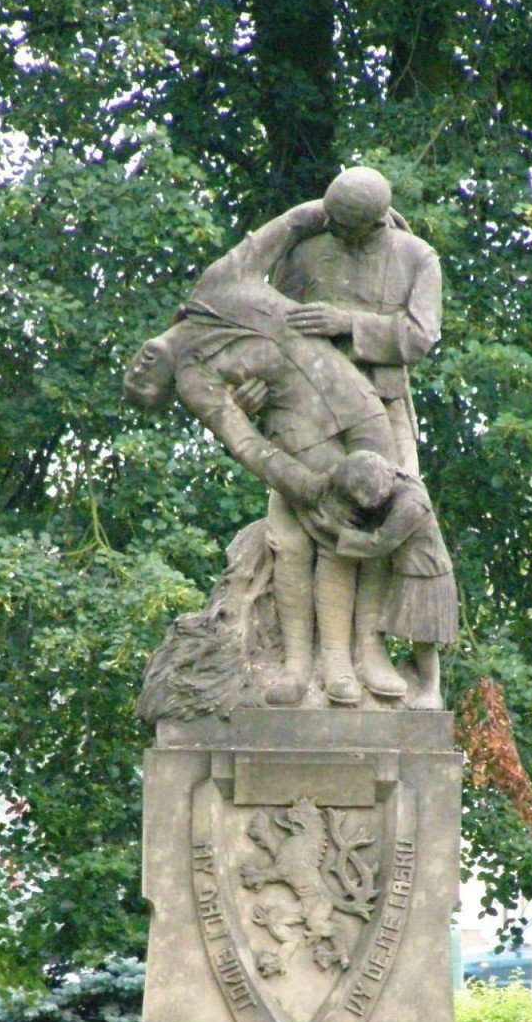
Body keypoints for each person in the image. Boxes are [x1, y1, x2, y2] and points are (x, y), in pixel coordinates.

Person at [122, 204, 399, 705]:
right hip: (303, 441)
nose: (138, 371)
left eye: (132, 371)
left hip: (356, 398)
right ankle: (310, 665)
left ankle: (363, 654)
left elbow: (289, 224)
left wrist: (362, 210)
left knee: (384, 515)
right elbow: (245, 443)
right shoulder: (194, 380)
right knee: (325, 538)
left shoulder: (216, 284)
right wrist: (302, 483)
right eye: (144, 388)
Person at [273, 167, 442, 698]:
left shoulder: (416, 256)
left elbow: (419, 336)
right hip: (310, 410)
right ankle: (301, 663)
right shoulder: (304, 254)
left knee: (384, 526)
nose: (337, 232)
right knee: (296, 534)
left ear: (375, 223)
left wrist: (346, 323)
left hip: (385, 408)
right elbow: (270, 329)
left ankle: (368, 652)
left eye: (349, 226)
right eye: (333, 221)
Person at [316, 451, 458, 711]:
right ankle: (422, 684)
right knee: (416, 637)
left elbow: (379, 543)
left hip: (426, 574)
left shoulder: (410, 504)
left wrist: (335, 531)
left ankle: (431, 691)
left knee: (424, 639)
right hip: (410, 571)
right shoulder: (399, 480)